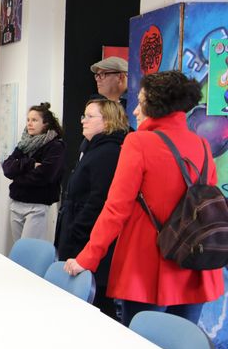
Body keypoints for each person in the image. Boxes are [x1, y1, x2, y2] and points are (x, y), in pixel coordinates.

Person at [65, 71, 224, 326]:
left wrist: (88, 257)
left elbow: (116, 208)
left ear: (156, 105)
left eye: (140, 102)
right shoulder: (202, 145)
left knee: (140, 340)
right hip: (195, 263)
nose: (135, 110)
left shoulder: (138, 142)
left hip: (149, 266)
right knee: (180, 341)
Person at [55, 99, 128, 319]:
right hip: (78, 234)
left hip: (87, 240)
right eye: (83, 116)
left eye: (89, 116)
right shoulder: (92, 148)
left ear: (108, 121)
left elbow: (98, 201)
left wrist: (76, 232)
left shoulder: (108, 153)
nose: (83, 121)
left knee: (95, 303)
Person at [2, 102, 65, 243]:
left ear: (45, 123)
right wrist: (30, 164)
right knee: (19, 248)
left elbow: (44, 176)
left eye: (35, 120)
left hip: (37, 205)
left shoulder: (55, 146)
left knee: (29, 248)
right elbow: (7, 167)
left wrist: (17, 176)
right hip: (16, 203)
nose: (29, 124)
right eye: (28, 120)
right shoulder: (24, 144)